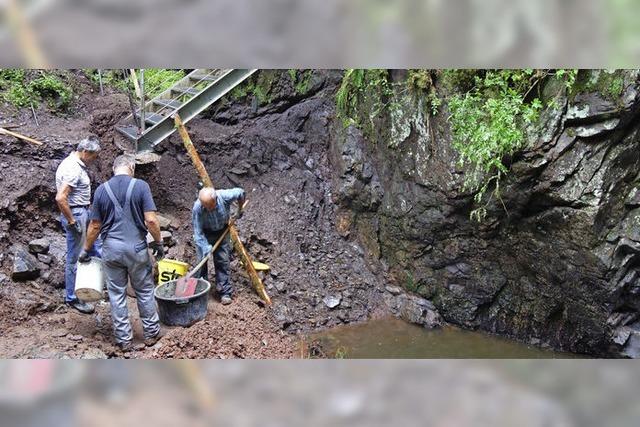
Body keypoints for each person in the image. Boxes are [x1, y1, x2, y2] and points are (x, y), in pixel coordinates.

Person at [80, 154, 164, 351]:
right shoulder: (141, 186)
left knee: (117, 294)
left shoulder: (101, 190)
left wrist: (85, 249)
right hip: (136, 249)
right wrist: (158, 242)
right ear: (131, 167)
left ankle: (124, 340)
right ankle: (151, 333)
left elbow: (94, 226)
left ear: (113, 168)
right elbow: (151, 220)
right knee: (144, 291)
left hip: (111, 250)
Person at [55, 136, 102, 314]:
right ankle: (72, 298)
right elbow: (60, 197)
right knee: (74, 257)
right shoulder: (73, 169)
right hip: (76, 213)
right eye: (94, 156)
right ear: (85, 152)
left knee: (93, 246)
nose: (94, 160)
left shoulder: (72, 163)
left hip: (81, 211)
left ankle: (93, 282)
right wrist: (72, 221)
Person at [192, 186, 245, 305]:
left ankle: (224, 292)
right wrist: (205, 247)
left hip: (222, 231)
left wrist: (239, 210)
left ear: (215, 199)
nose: (209, 209)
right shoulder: (198, 208)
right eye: (207, 207)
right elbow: (198, 233)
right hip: (205, 234)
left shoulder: (224, 196)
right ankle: (201, 291)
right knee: (201, 263)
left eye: (211, 206)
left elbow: (241, 193)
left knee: (222, 261)